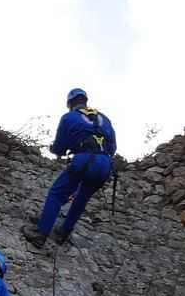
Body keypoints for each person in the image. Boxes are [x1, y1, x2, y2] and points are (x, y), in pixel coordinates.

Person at [23, 88, 117, 247]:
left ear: (70, 103)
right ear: (85, 100)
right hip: (104, 164)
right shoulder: (105, 119)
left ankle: (41, 234)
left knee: (56, 194)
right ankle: (63, 233)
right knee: (82, 198)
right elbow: (112, 148)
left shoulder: (69, 117)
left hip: (84, 160)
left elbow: (60, 148)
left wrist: (56, 150)